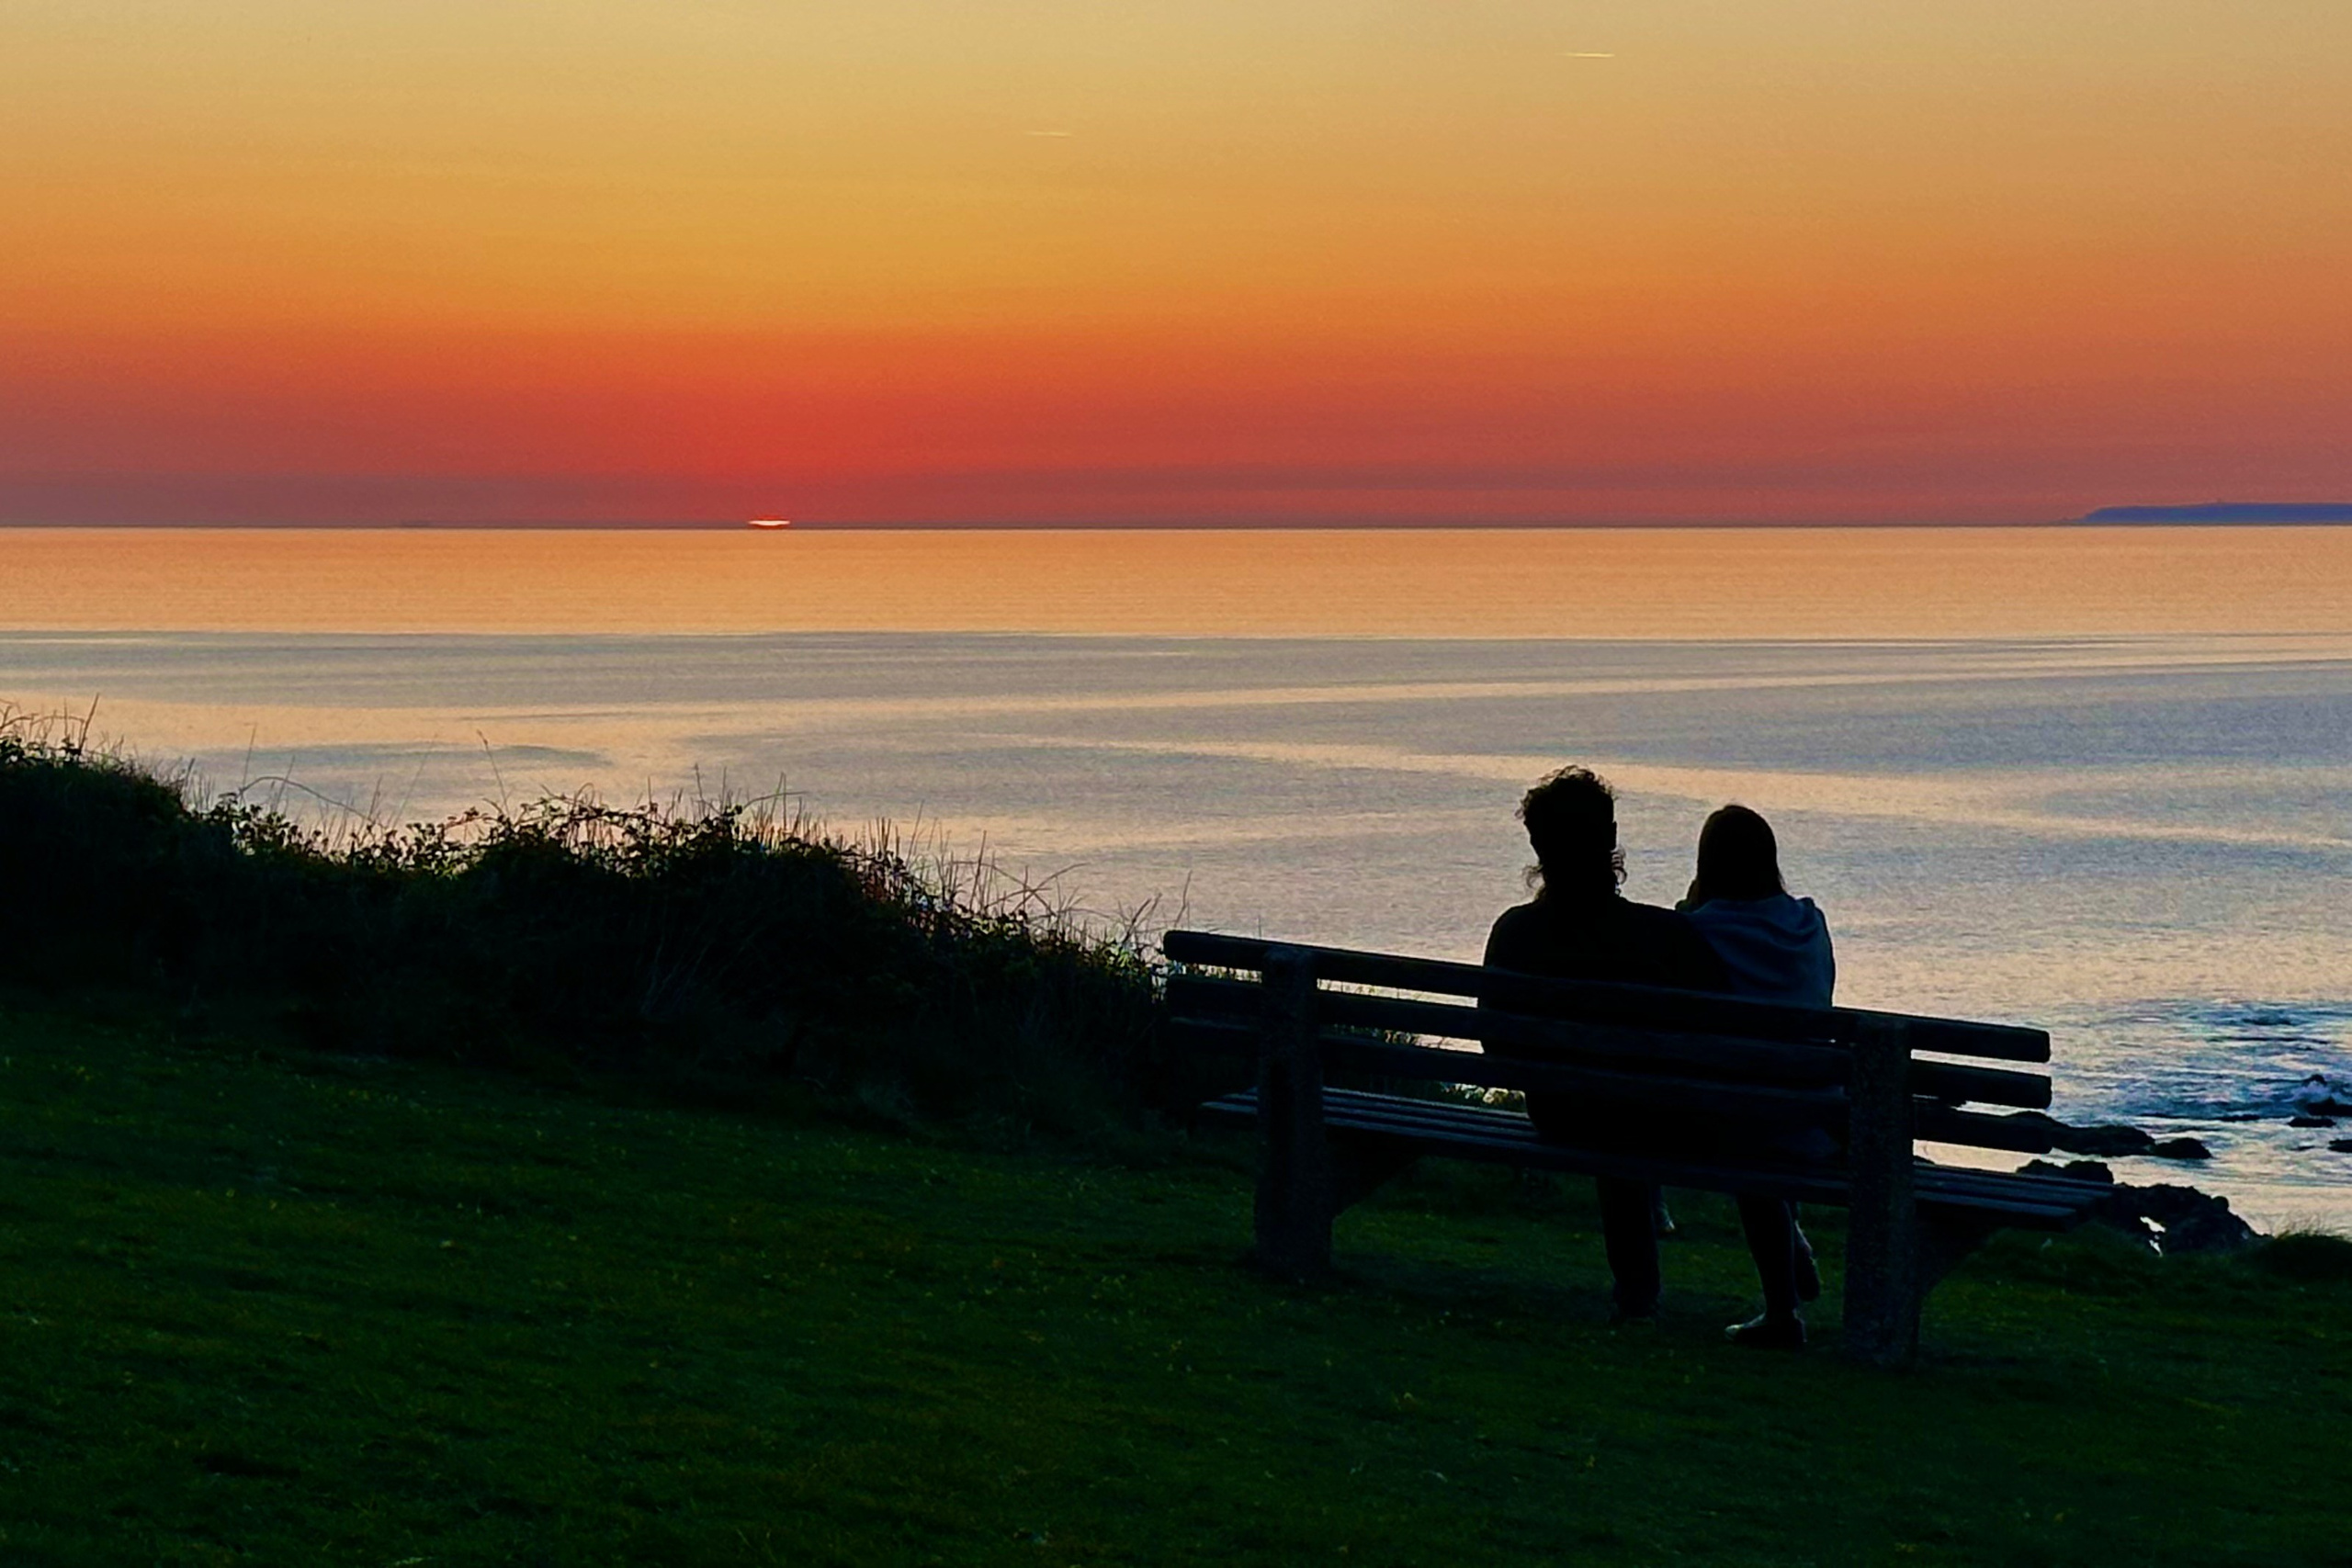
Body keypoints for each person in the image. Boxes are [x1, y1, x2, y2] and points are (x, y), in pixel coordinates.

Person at [1481, 767, 1726, 1325]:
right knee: (1625, 1114)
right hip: (1657, 1114)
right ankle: (1647, 1292)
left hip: (1561, 1111)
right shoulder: (1668, 935)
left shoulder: (1516, 933)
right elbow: (1724, 1033)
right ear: (1611, 836)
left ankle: (1637, 1292)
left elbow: (1496, 1049)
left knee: (1607, 1112)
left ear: (1537, 843)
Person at [1681, 804, 1835, 1351]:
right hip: (1816, 1113)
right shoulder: (1810, 923)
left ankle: (1781, 1312)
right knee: (1763, 1114)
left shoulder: (1696, 932)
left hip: (1740, 1121)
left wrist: (1691, 907)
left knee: (1746, 1128)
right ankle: (1789, 1245)